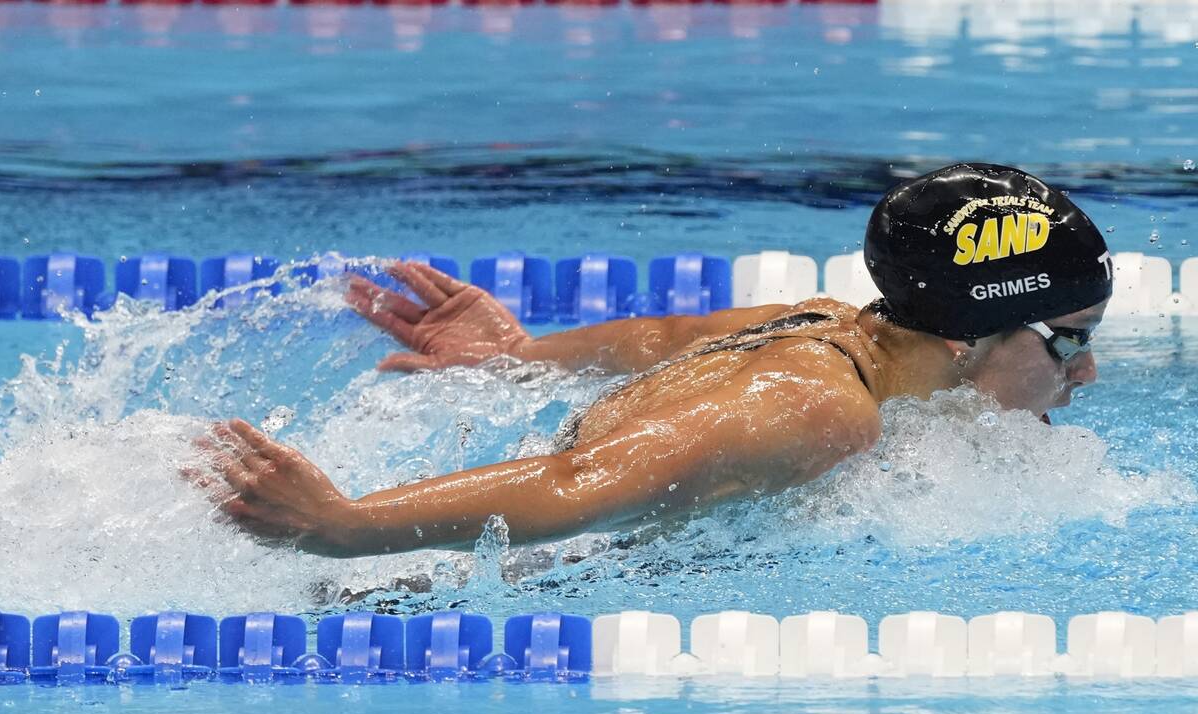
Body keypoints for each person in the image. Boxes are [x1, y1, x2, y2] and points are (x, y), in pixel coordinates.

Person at [199, 163, 1113, 558]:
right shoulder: (819, 411)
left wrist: (522, 357)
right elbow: (580, 482)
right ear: (966, 332)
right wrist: (347, 525)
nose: (1086, 371)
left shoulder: (825, 321)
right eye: (1069, 340)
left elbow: (658, 341)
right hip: (433, 574)